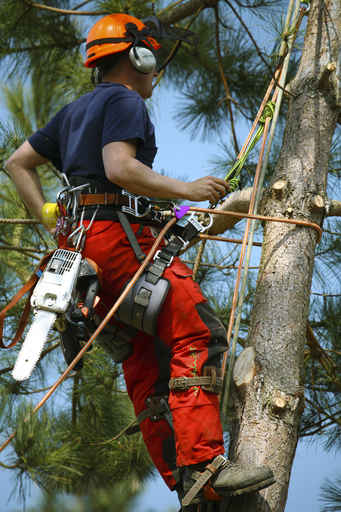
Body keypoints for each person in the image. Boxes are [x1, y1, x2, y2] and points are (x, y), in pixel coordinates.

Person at [5, 13, 274, 509]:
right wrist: (188, 188)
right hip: (117, 242)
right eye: (153, 57)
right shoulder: (125, 99)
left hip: (79, 250)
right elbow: (119, 168)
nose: (156, 71)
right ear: (139, 56)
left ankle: (185, 481)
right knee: (197, 334)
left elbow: (17, 163)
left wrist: (53, 220)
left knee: (143, 357)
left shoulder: (74, 110)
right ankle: (205, 463)